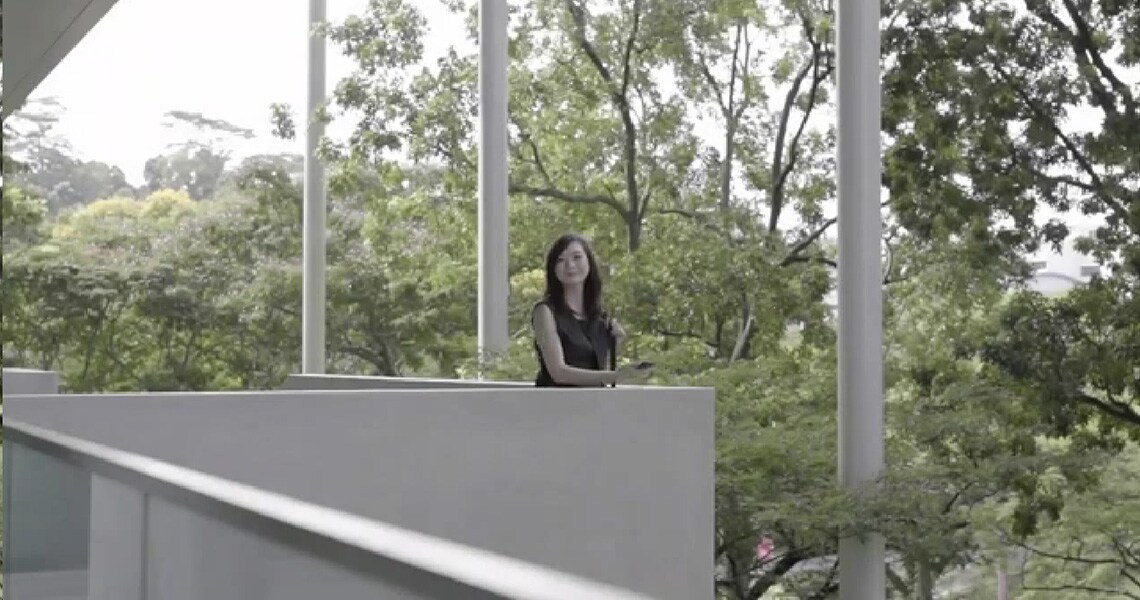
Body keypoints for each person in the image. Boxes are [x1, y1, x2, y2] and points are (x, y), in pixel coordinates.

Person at [532, 233, 644, 387]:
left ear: (589, 262)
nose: (570, 265)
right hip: (555, 404)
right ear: (553, 269)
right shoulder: (545, 312)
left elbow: (595, 364)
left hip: (593, 404)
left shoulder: (600, 316)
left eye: (577, 257)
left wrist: (616, 341)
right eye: (560, 260)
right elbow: (558, 372)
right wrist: (615, 376)